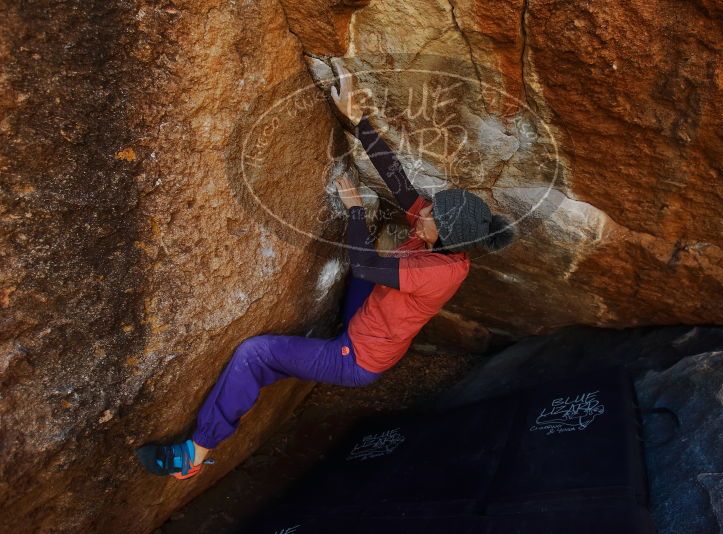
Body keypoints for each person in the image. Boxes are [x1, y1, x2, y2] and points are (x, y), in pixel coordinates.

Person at [135, 63, 516, 479]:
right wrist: (358, 120)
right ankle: (295, 358)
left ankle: (194, 453)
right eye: (431, 208)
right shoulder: (438, 236)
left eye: (432, 216)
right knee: (356, 282)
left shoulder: (438, 271)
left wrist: (355, 210)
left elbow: (366, 265)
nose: (423, 211)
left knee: (254, 354)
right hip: (371, 320)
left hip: (356, 359)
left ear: (445, 238)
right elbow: (401, 183)